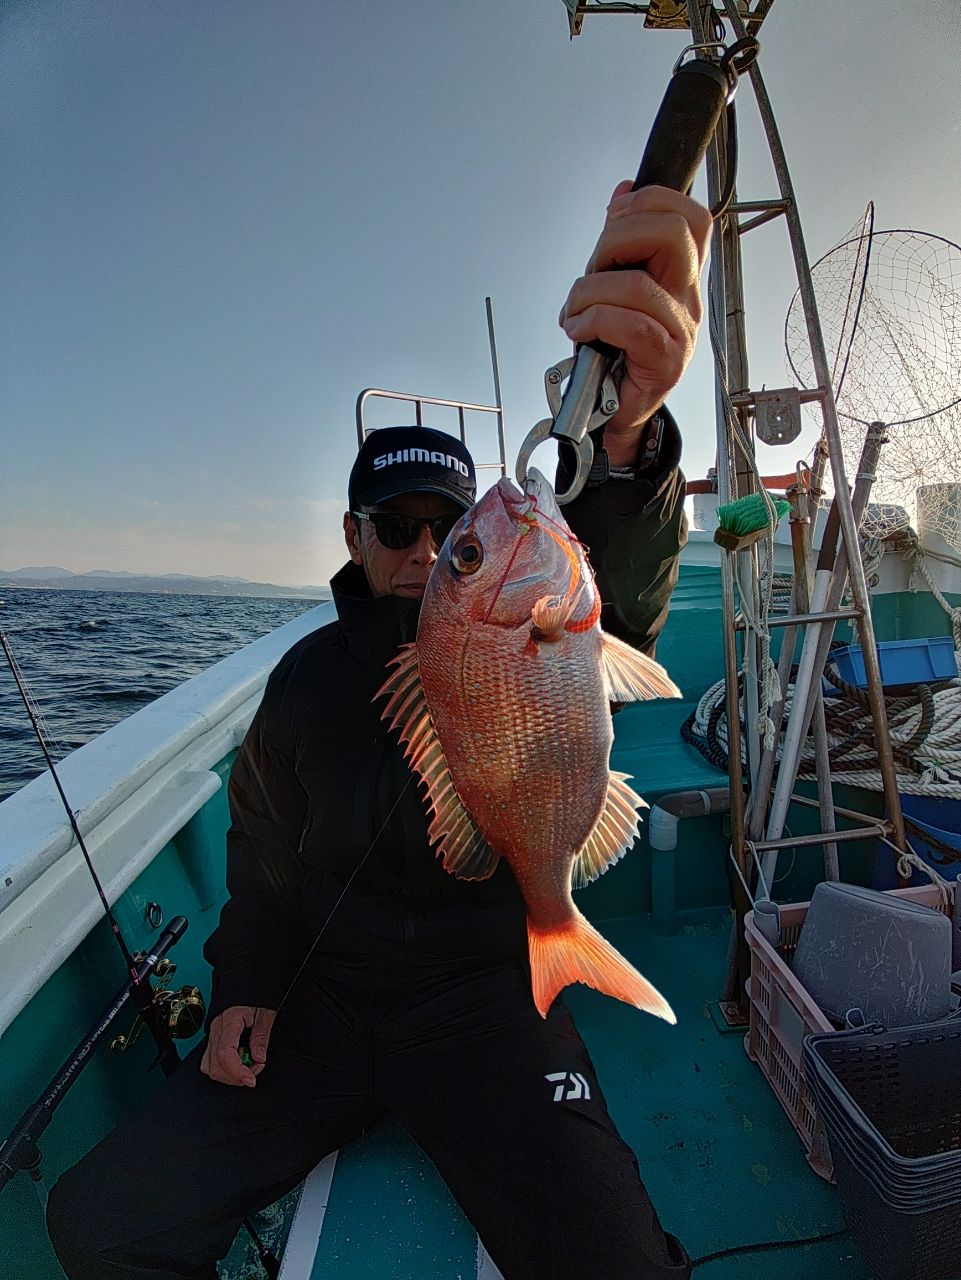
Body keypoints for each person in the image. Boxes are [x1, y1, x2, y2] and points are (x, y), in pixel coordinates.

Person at [46, 183, 712, 1280]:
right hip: (326, 1000)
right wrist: (246, 986)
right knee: (99, 1217)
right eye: (393, 527)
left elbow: (619, 600)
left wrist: (630, 437)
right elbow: (259, 851)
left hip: (489, 991)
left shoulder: (531, 618)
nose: (422, 546)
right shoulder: (302, 682)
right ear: (352, 536)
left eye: (445, 528)